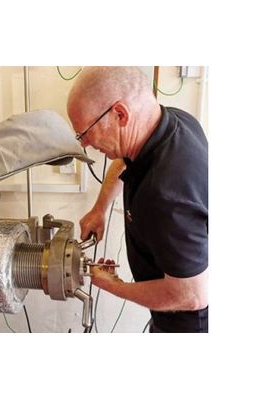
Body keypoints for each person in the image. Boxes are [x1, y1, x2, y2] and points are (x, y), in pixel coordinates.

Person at [67, 67, 208, 333]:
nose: (84, 143)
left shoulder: (166, 193)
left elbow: (191, 296)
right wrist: (99, 210)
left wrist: (112, 285)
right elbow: (125, 158)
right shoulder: (173, 122)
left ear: (120, 114)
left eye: (85, 132)